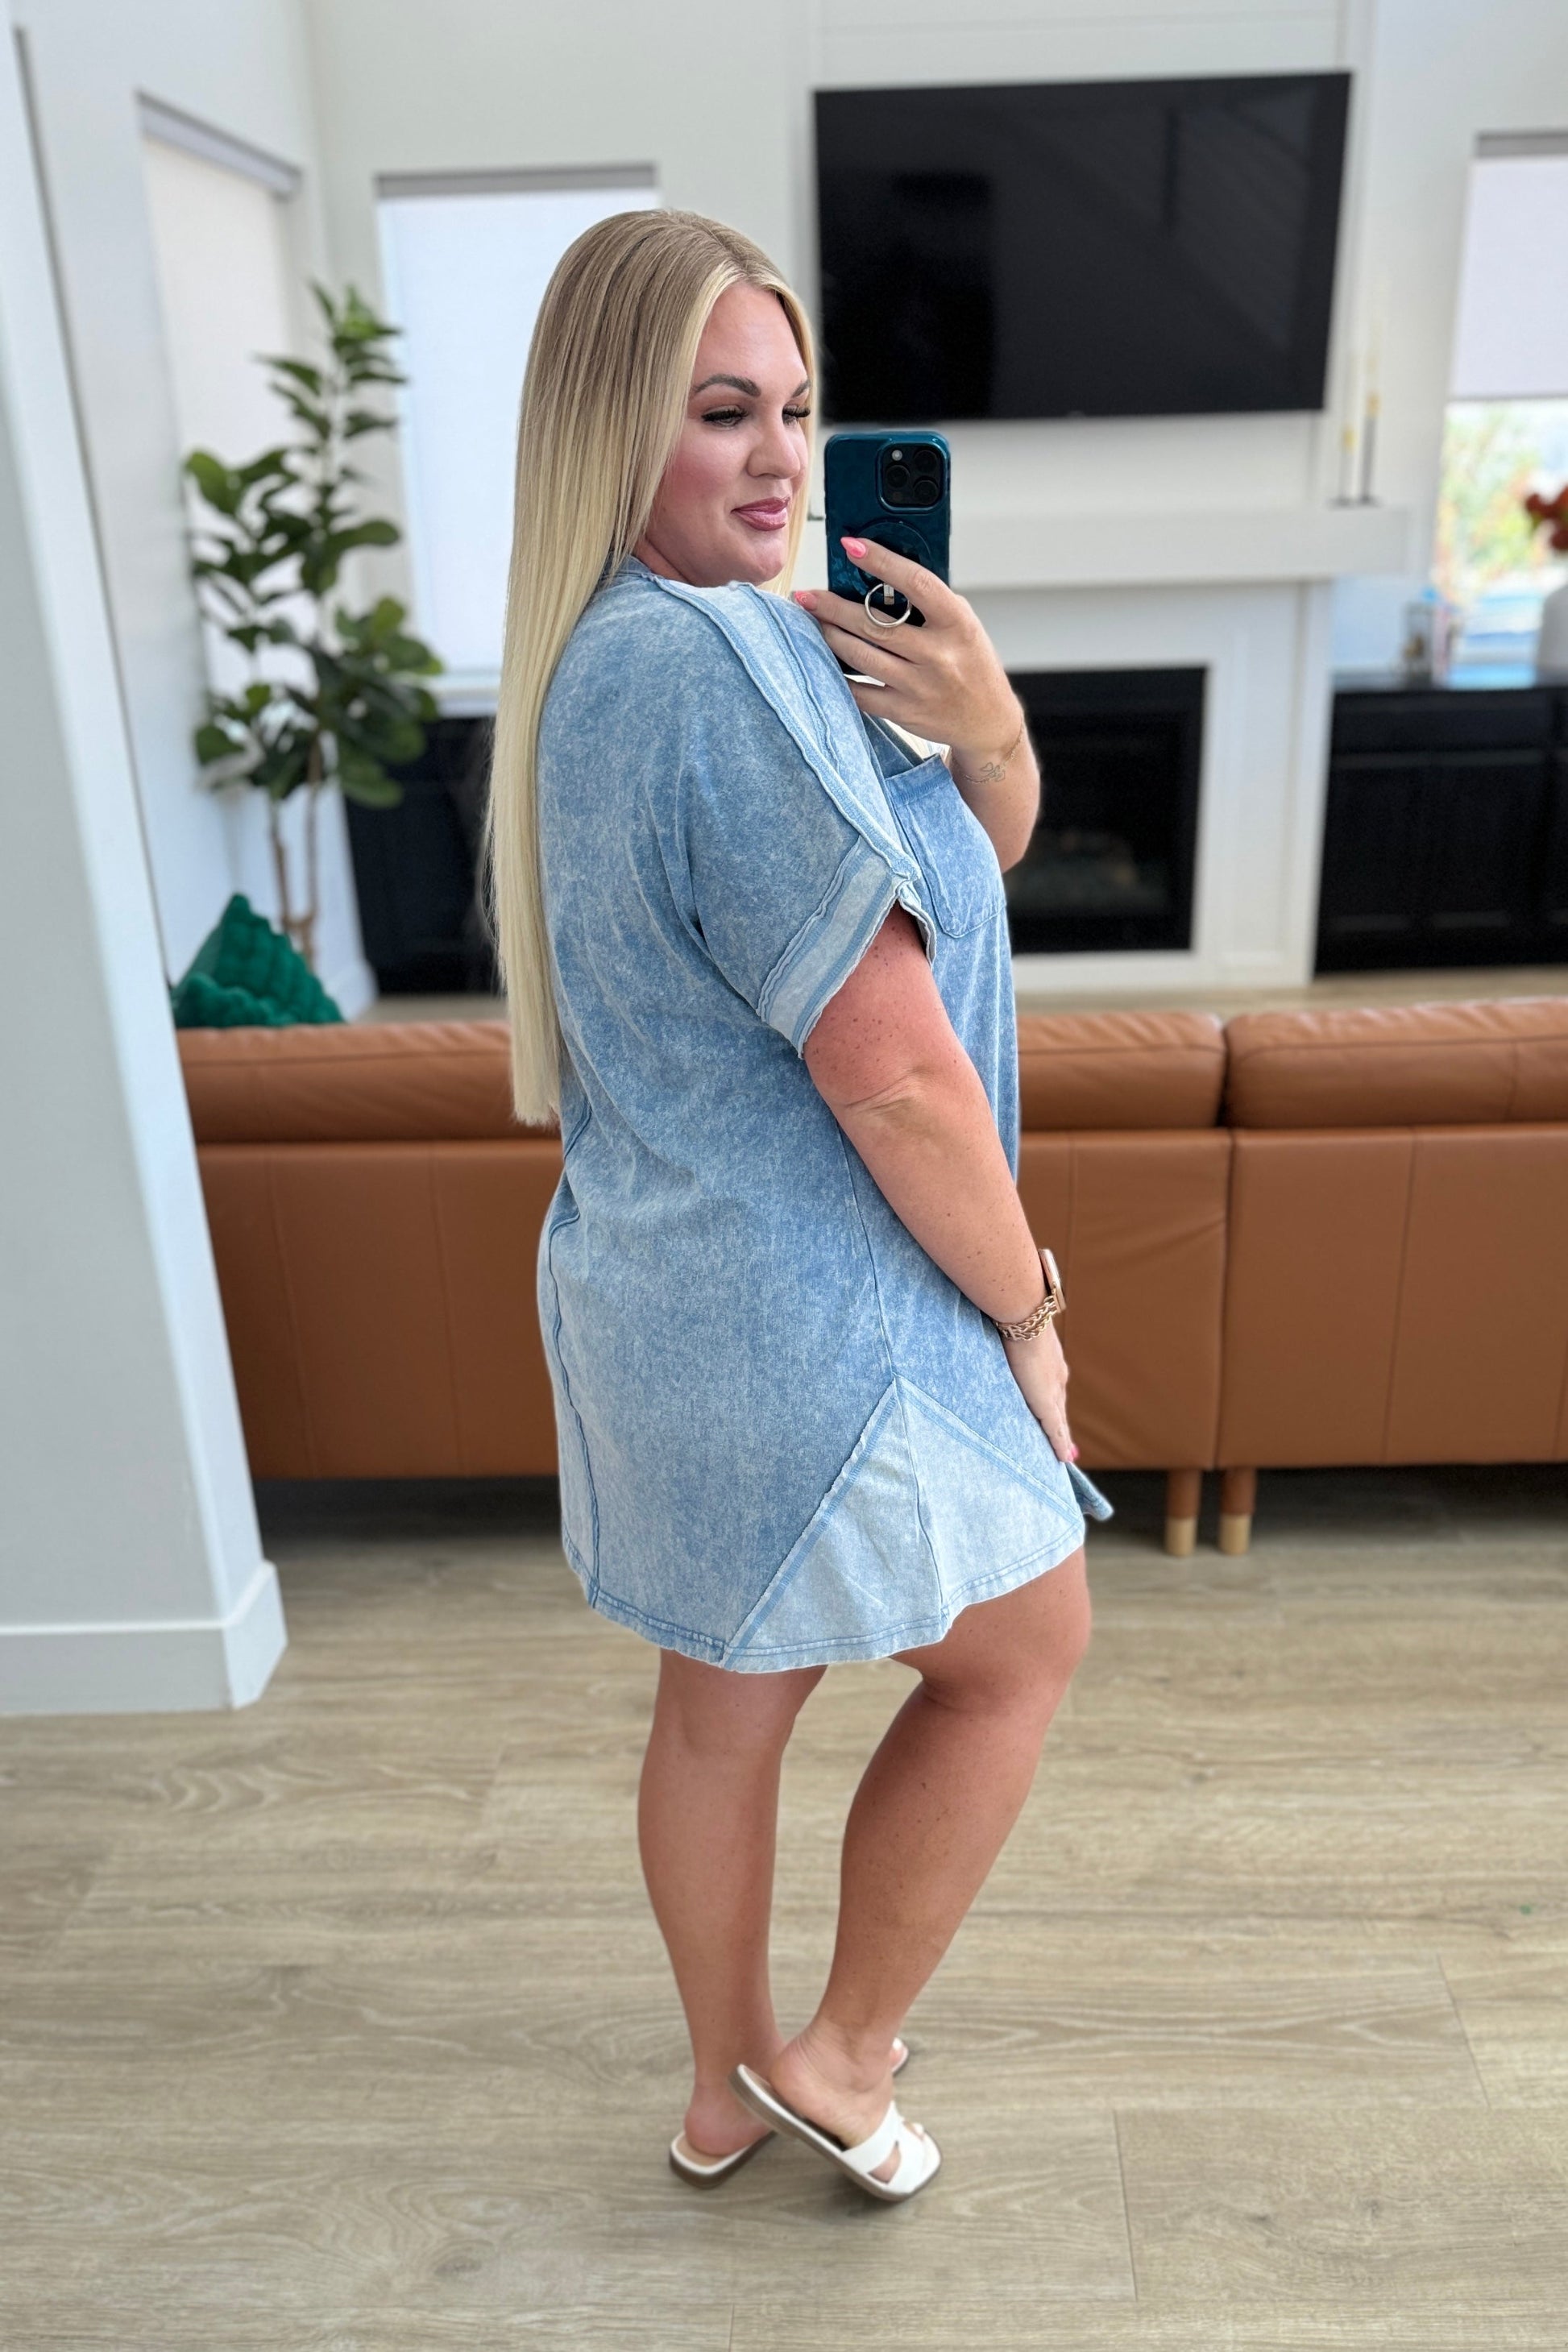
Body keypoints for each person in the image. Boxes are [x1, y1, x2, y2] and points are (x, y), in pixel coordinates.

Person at [483, 209, 1111, 2206]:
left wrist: (985, 721)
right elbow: (900, 1075)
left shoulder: (609, 657)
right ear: (614, 428)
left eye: (799, 409)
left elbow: (964, 869)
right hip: (815, 1323)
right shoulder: (727, 670)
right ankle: (839, 2050)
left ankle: (718, 2090)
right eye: (721, 412)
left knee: (719, 1712)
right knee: (1022, 1646)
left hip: (663, 1313)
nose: (779, 459)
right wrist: (1027, 1312)